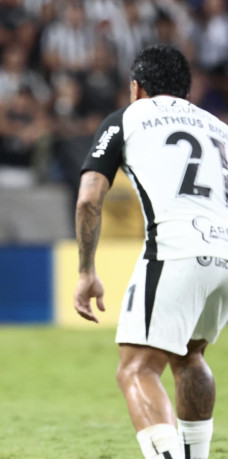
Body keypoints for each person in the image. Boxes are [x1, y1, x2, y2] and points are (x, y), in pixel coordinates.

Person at [74, 44, 228, 459]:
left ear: (136, 87)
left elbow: (89, 199)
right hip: (224, 252)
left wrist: (86, 270)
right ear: (186, 92)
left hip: (176, 250)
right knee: (191, 357)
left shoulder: (127, 118)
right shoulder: (217, 126)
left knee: (137, 369)